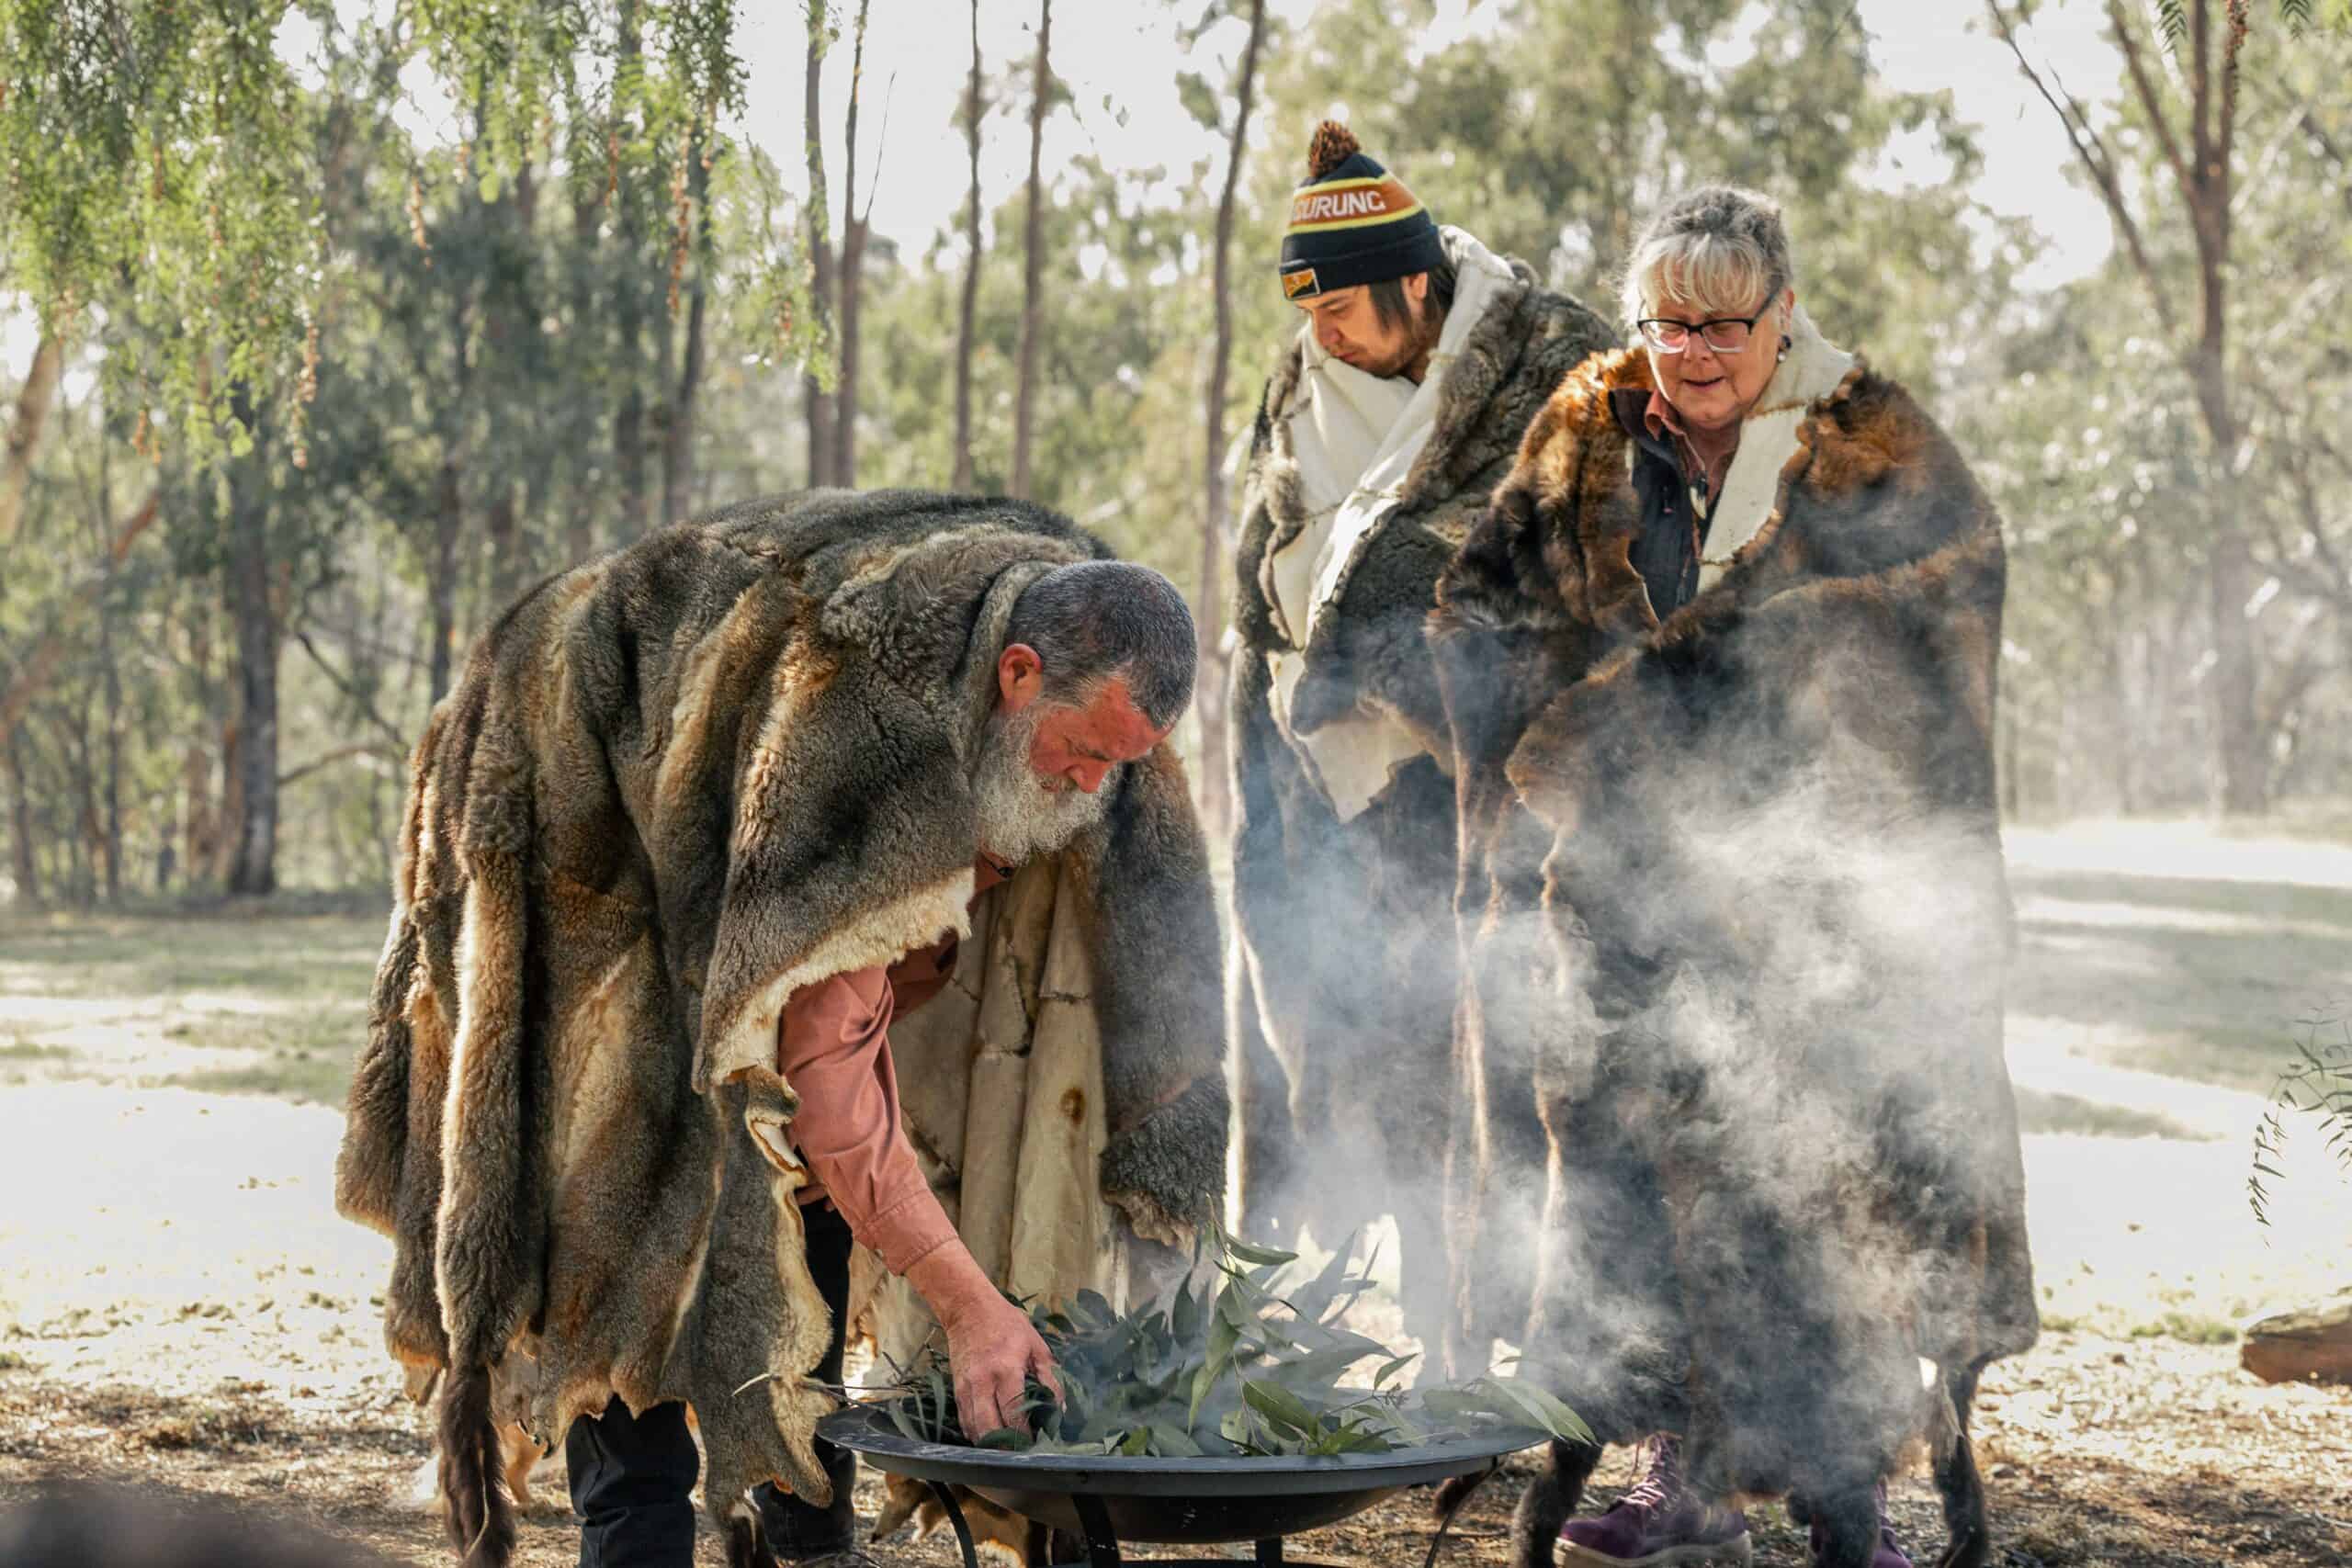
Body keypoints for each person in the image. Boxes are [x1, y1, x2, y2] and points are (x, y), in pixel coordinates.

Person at [337, 491, 1229, 1568]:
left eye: (1114, 765)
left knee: (792, 1193)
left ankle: (805, 1529)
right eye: (1079, 750)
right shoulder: (861, 733)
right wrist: (968, 1307)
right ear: (1018, 673)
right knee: (623, 1210)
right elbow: (827, 1074)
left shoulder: (1061, 657)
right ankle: (637, 1534)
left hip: (713, 808)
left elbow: (1127, 970)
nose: (1090, 786)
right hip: (573, 811)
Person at [1430, 187, 2037, 1568]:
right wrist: (1556, 740)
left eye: (1723, 323)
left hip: (1819, 904)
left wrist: (1691, 690)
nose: (1693, 350)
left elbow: (1939, 612)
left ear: (1782, 317)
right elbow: (1476, 611)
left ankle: (1843, 1500)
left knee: (1815, 1192)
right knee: (1635, 1192)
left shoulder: (1871, 448)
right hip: (1621, 886)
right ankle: (1679, 1476)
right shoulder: (1583, 431)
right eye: (1669, 320)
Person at [1226, 120, 1612, 1347]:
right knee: (1384, 1068)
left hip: (1503, 781)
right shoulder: (1300, 387)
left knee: (1507, 1068)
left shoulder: (1559, 359)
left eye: (1342, 306)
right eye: (1309, 311)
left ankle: (1535, 1350)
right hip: (1345, 791)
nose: (1325, 333)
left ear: (1414, 283)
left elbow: (1566, 550)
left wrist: (1389, 604)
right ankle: (1432, 1355)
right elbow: (1268, 561)